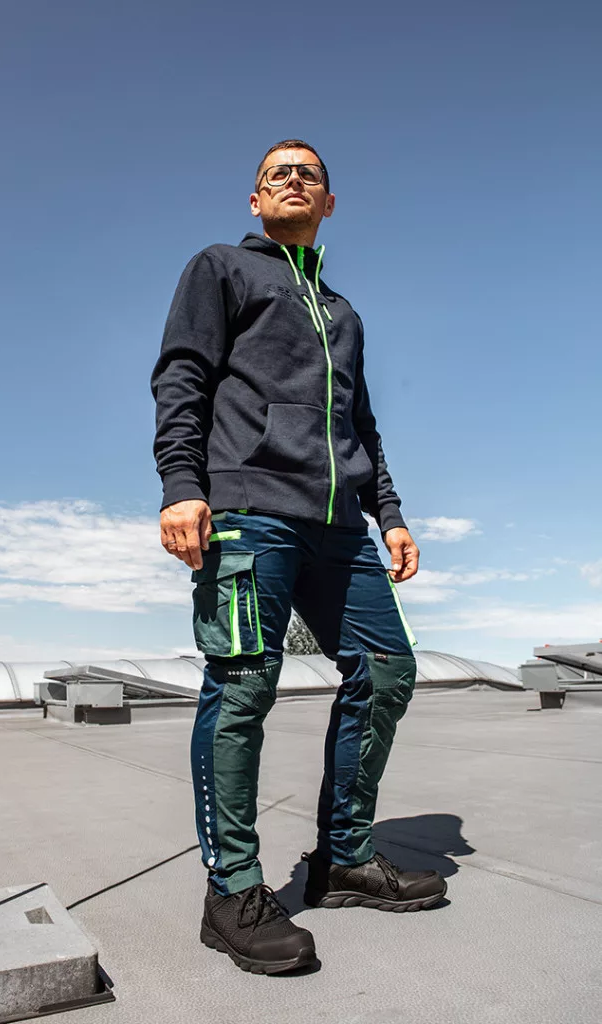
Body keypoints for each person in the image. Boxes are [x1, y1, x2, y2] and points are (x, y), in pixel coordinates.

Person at [151, 140, 446, 975]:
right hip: (249, 509)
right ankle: (233, 890)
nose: (292, 179)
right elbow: (181, 376)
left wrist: (388, 513)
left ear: (327, 203)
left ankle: (343, 860)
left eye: (307, 173)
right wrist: (182, 484)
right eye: (276, 173)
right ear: (254, 200)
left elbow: (360, 424)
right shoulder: (221, 268)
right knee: (244, 682)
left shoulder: (342, 312)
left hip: (341, 526)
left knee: (386, 668)